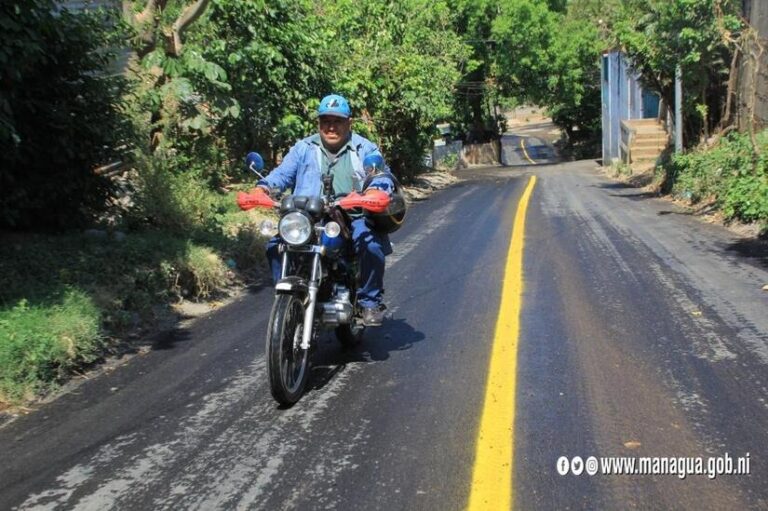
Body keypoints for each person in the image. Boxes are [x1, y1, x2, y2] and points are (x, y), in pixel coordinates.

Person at [253, 94, 394, 327]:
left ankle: (370, 302)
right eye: (325, 120)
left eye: (337, 121)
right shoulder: (303, 148)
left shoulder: (364, 148)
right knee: (274, 246)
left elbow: (381, 175)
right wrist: (264, 187)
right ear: (318, 123)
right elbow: (282, 174)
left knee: (370, 244)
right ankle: (287, 297)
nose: (331, 126)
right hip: (309, 215)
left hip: (351, 215)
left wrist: (376, 191)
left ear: (349, 123)